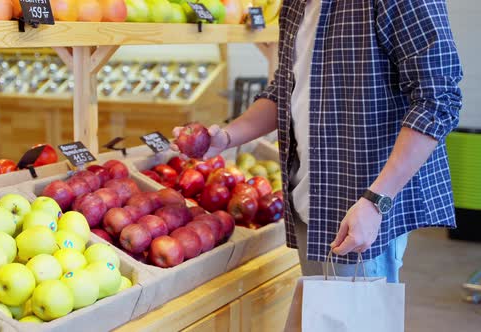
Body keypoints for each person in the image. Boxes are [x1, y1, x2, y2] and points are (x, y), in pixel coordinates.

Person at [173, 0, 463, 283]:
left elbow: (437, 100)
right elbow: (284, 90)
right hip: (309, 202)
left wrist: (376, 202)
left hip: (362, 207)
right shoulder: (295, 5)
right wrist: (226, 138)